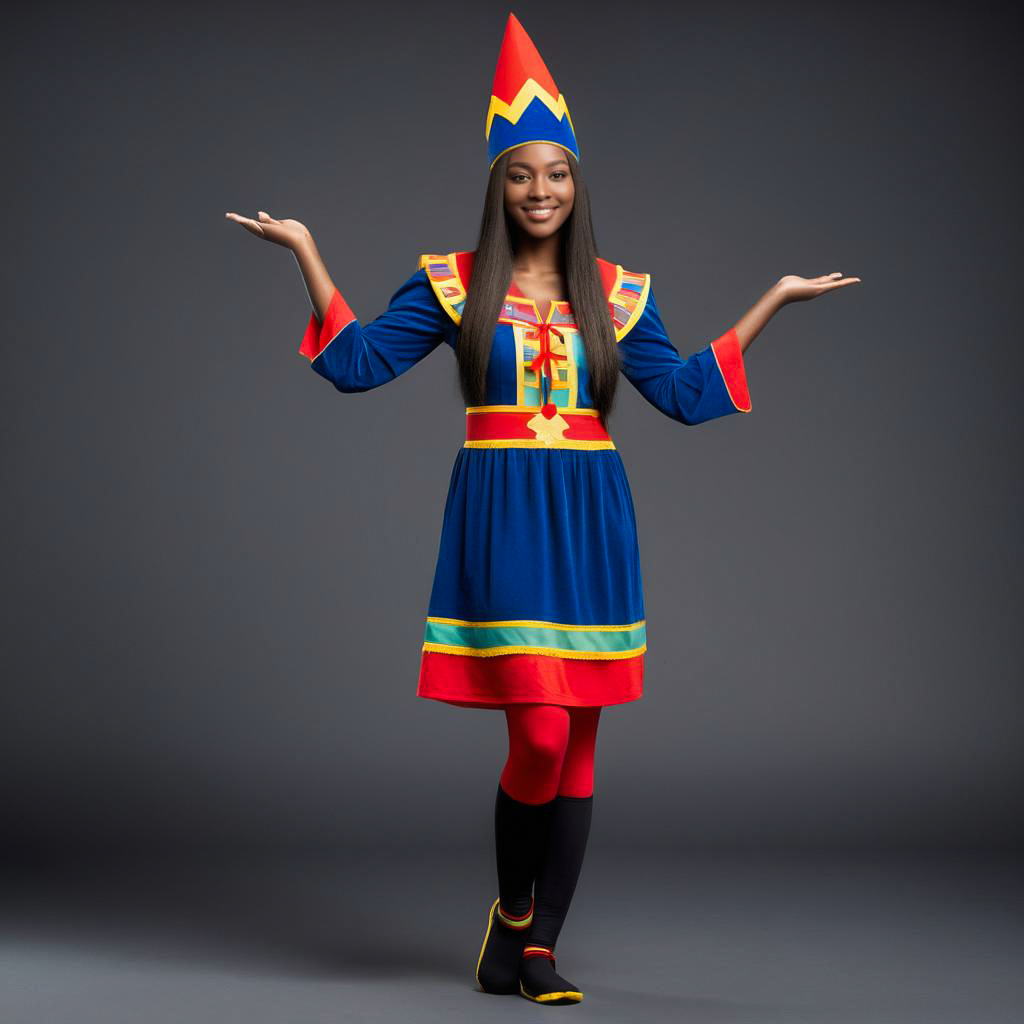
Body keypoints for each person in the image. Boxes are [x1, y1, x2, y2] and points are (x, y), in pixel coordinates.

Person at [226, 12, 859, 1007]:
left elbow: (688, 397)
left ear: (577, 183)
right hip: (502, 517)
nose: (538, 191)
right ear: (497, 183)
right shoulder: (451, 285)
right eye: (520, 174)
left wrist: (769, 302)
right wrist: (306, 249)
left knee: (581, 740)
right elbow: (352, 367)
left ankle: (534, 951)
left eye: (555, 174)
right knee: (541, 734)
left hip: (592, 522)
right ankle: (513, 916)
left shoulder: (618, 292)